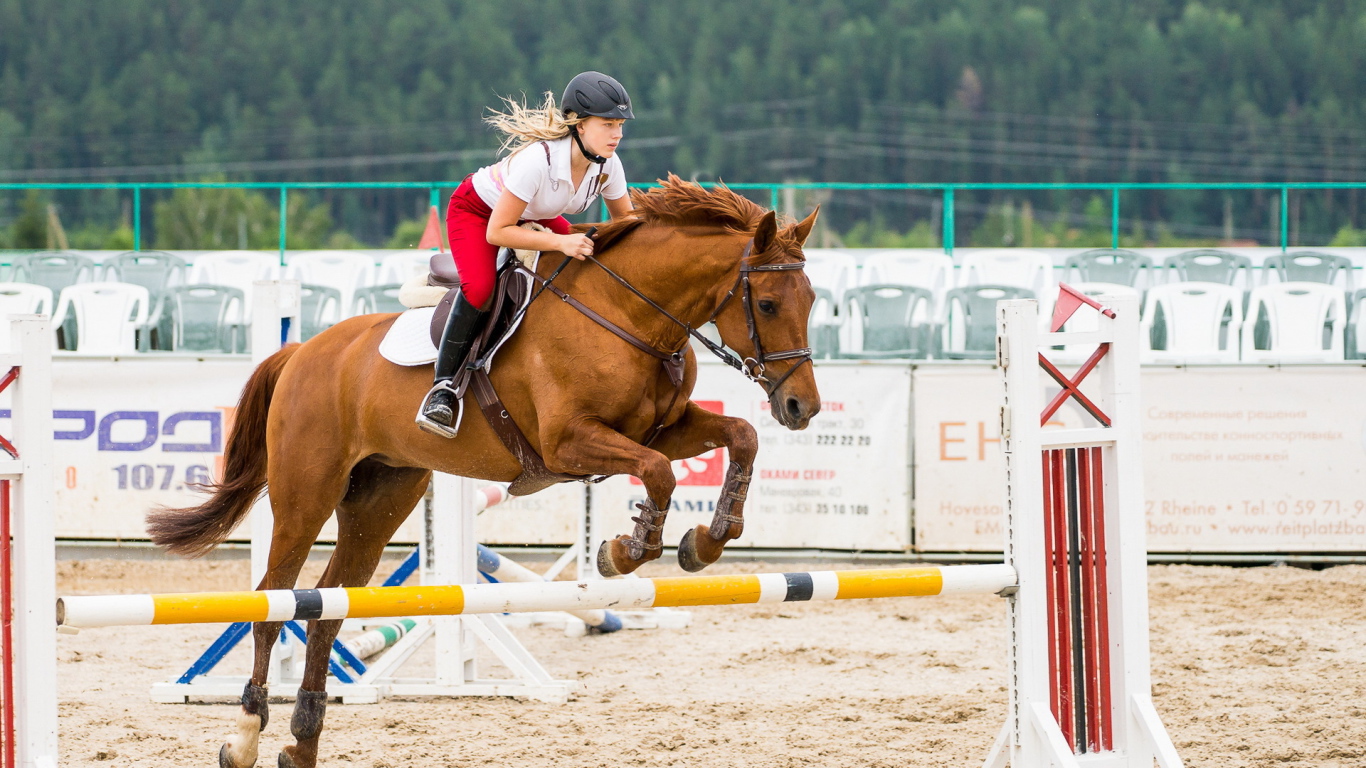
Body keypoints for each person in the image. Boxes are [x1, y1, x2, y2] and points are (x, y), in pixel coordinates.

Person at [418, 71, 636, 436]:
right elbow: (499, 231)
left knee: (590, 262)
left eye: (620, 125)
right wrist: (561, 242)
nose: (618, 134)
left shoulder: (608, 166)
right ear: (579, 126)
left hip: (534, 214)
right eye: (609, 124)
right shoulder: (538, 161)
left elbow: (627, 225)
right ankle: (443, 390)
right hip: (479, 213)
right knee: (481, 288)